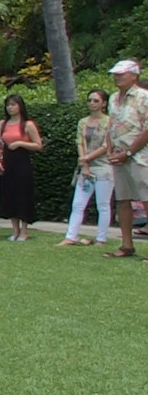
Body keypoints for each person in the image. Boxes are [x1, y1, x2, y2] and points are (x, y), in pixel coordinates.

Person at [104, 60, 148, 259]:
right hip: (119, 156)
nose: (117, 77)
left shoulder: (143, 97)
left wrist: (129, 152)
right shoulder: (113, 99)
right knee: (123, 200)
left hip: (141, 156)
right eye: (116, 74)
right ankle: (126, 245)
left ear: (134, 75)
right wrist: (111, 150)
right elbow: (111, 125)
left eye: (121, 74)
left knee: (146, 199)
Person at [58, 90, 113, 246]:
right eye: (90, 100)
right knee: (78, 204)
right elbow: (80, 142)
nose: (92, 103)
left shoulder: (109, 122)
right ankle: (71, 236)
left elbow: (107, 145)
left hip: (103, 166)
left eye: (96, 101)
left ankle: (101, 239)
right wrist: (84, 163)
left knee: (103, 205)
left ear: (104, 104)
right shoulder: (83, 122)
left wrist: (88, 158)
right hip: (86, 167)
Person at [0, 94, 43, 242]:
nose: (10, 108)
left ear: (20, 106)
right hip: (7, 161)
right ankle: (15, 230)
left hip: (22, 162)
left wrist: (21, 143)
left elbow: (38, 145)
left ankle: (24, 231)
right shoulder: (3, 124)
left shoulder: (28, 125)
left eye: (13, 105)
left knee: (22, 195)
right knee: (9, 194)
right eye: (8, 105)